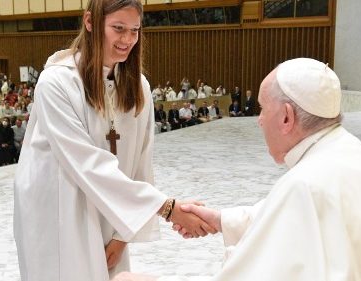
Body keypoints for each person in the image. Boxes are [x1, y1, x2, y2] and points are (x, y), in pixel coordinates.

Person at [113, 58, 361, 281]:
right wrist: (221, 219)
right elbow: (289, 218)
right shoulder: (350, 151)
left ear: (287, 117)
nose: (260, 121)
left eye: (264, 109)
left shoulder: (306, 183)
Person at [13, 1, 214, 281]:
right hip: (59, 213)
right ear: (90, 22)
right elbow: (84, 162)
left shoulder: (137, 85)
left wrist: (122, 234)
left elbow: (140, 161)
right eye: (118, 29)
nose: (127, 40)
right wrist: (168, 209)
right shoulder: (56, 83)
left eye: (134, 31)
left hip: (111, 210)